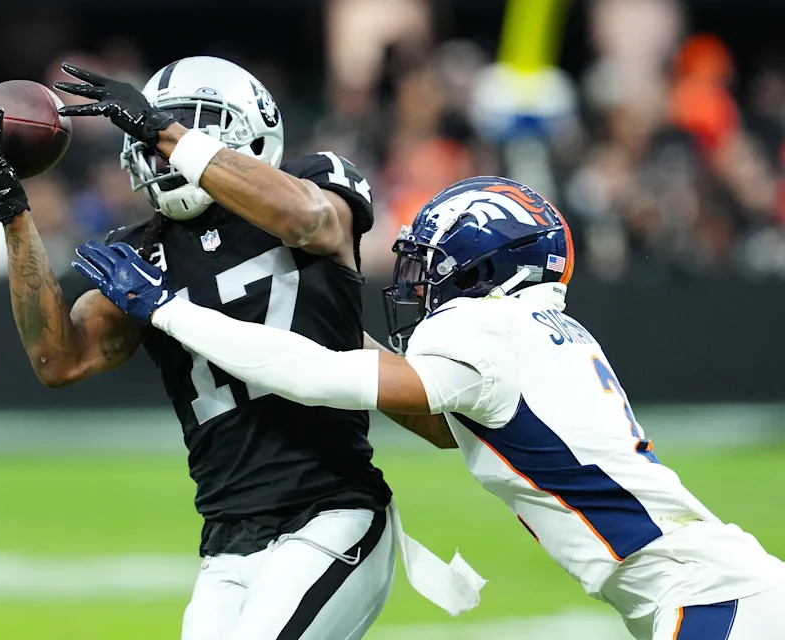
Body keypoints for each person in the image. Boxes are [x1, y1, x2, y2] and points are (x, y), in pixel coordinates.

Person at [76, 175, 785, 640]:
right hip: (712, 590)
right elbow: (376, 387)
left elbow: (316, 376)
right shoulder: (535, 326)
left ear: (483, 267)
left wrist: (169, 309)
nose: (417, 284)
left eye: (430, 265)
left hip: (707, 601)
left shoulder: (484, 332)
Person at [0, 56, 418, 640]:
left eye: (184, 129)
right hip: (226, 537)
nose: (161, 150)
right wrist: (12, 211)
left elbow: (304, 220)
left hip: (333, 512)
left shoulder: (317, 181)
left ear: (253, 128)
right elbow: (59, 360)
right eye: (151, 135)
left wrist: (164, 128)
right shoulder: (141, 252)